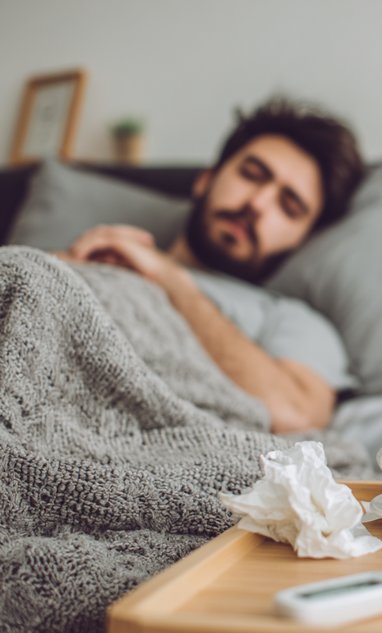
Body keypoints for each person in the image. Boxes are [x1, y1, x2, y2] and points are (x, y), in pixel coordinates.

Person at [59, 97, 365, 434]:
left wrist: (168, 278)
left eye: (289, 206)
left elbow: (295, 416)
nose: (258, 204)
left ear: (301, 240)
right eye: (251, 175)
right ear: (206, 180)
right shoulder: (108, 254)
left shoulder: (295, 321)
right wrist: (64, 265)